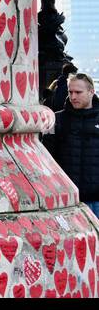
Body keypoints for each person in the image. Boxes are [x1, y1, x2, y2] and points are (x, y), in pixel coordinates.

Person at [44, 72, 99, 217]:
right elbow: (46, 158)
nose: (73, 97)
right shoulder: (55, 120)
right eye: (70, 92)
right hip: (66, 199)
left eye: (78, 92)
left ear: (91, 92)